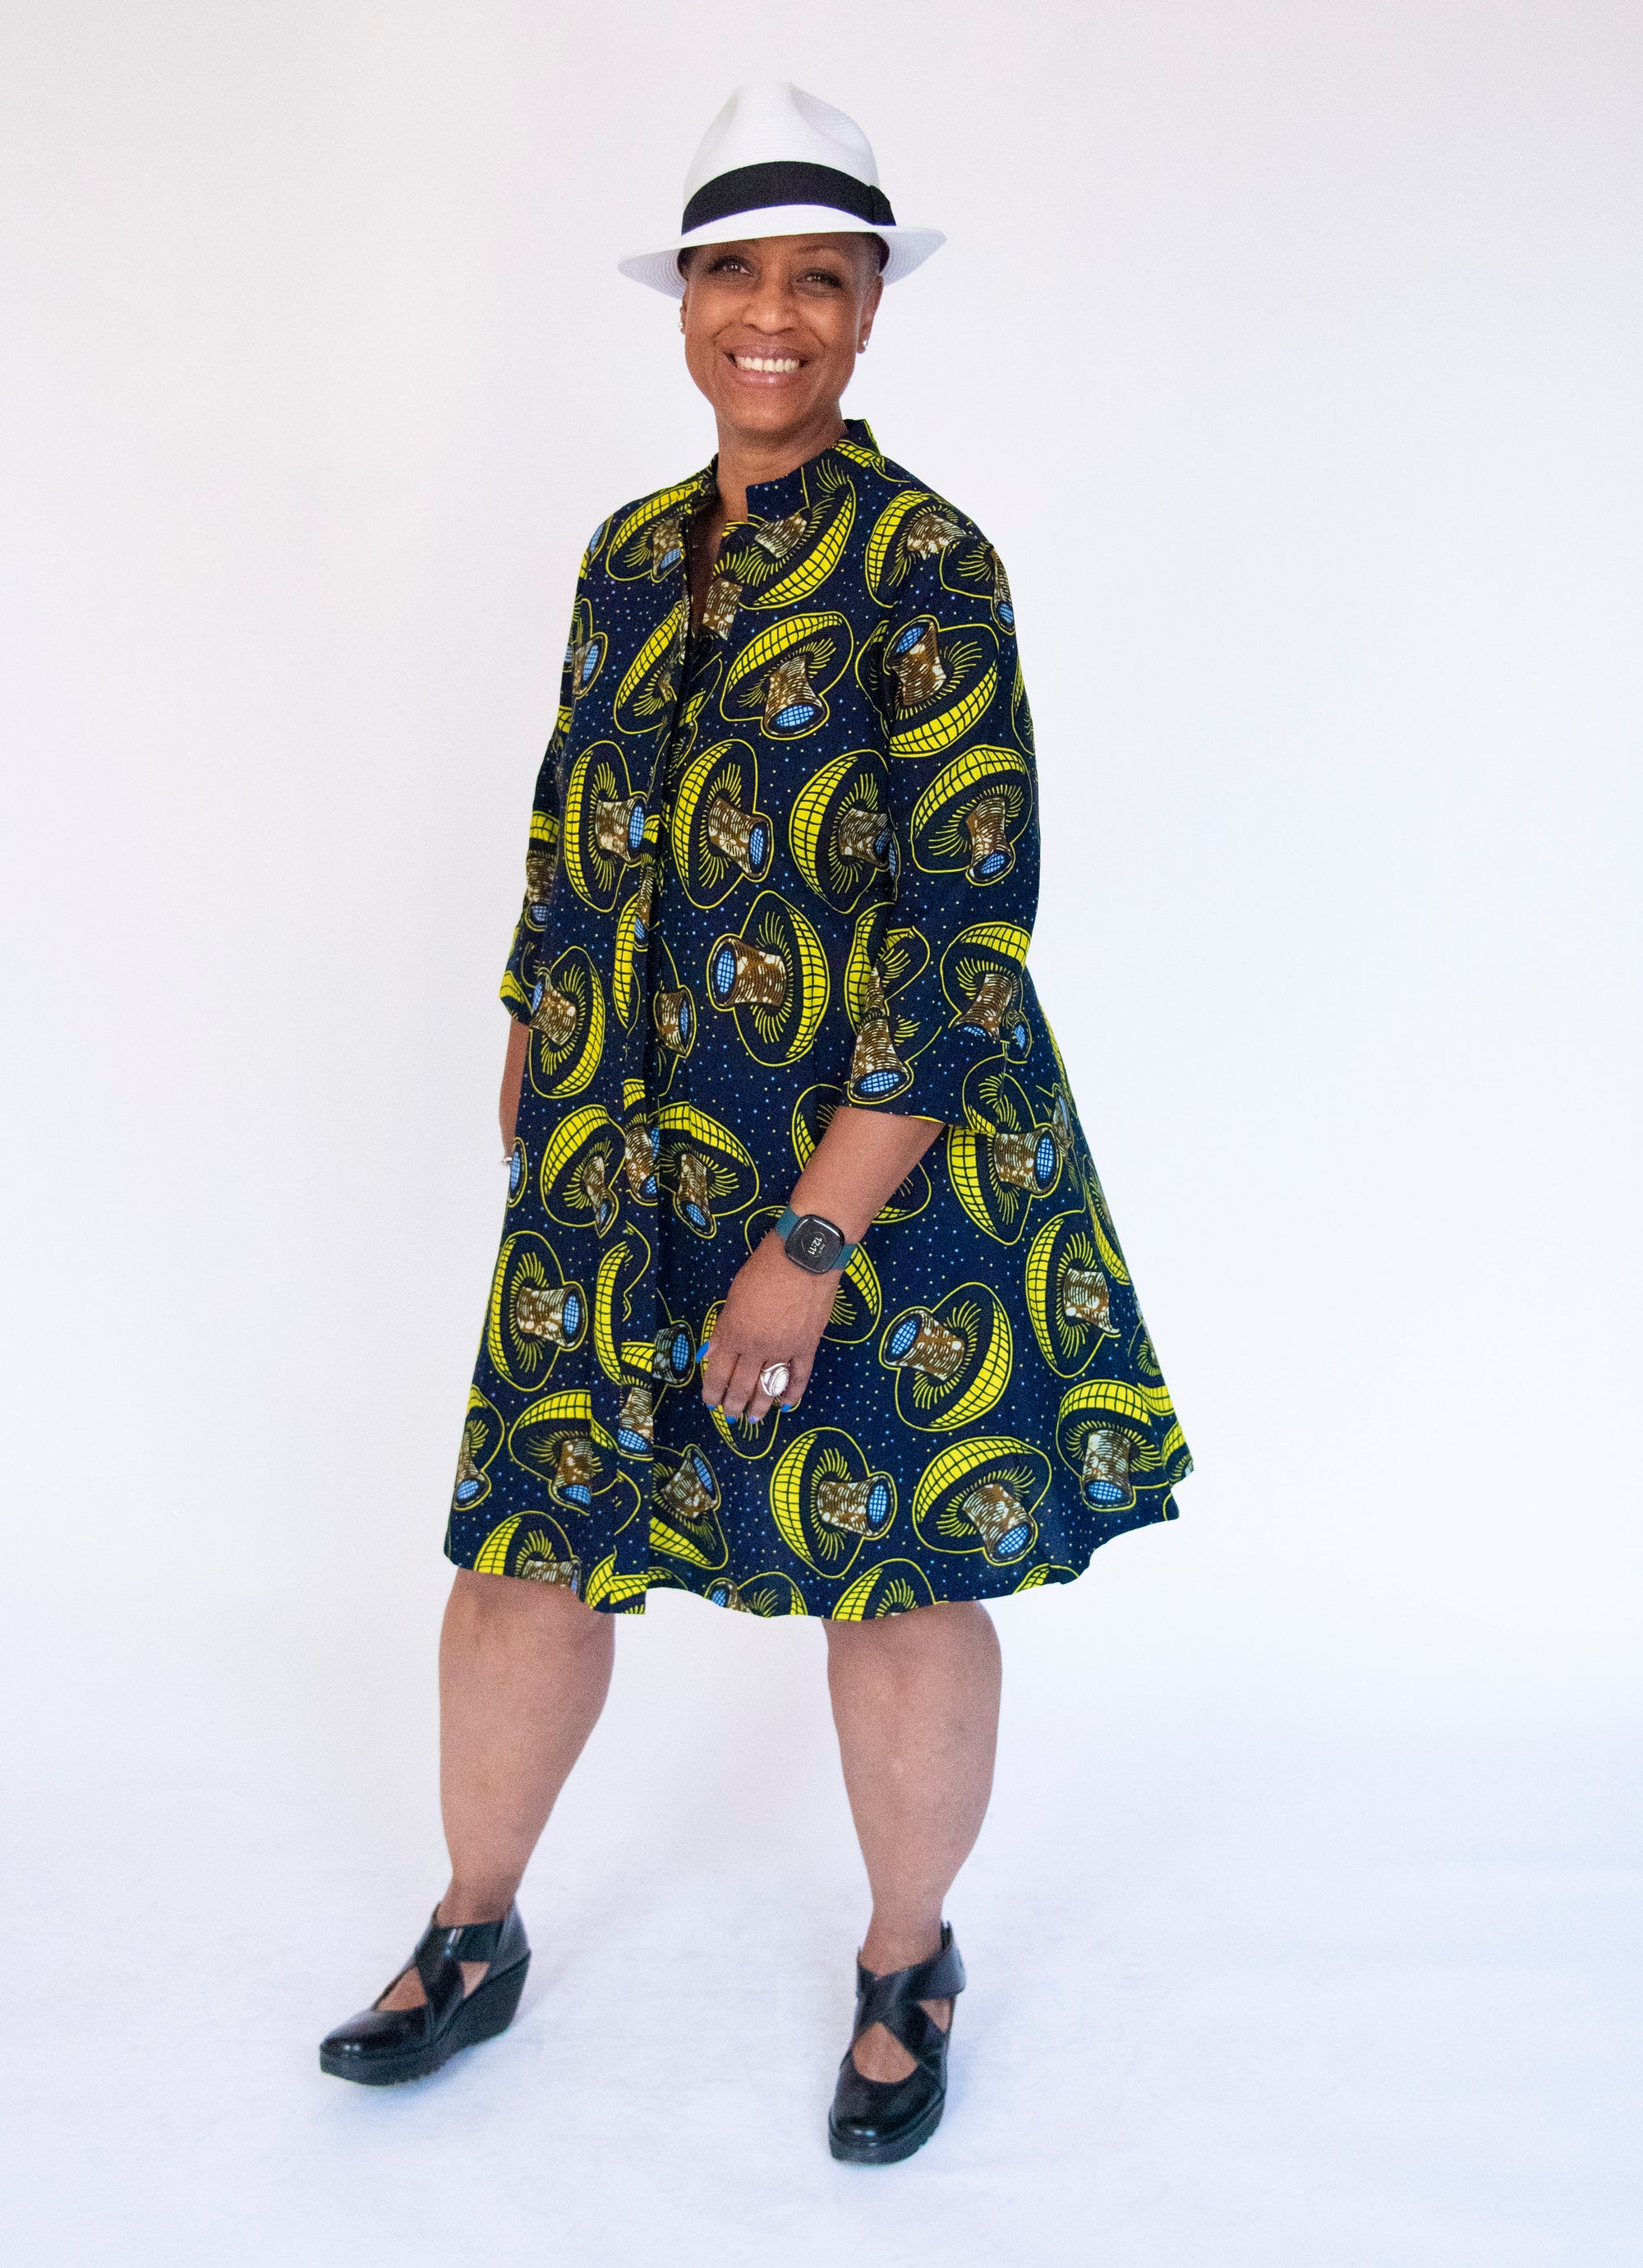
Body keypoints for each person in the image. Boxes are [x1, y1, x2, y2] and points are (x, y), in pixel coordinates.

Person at [320, 80, 1192, 2166]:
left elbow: (969, 927)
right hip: (617, 1153)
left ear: (871, 311)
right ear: (686, 301)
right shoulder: (631, 551)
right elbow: (567, 808)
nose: (773, 315)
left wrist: (809, 1239)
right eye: (736, 273)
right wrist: (534, 1010)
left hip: (872, 1164)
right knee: (529, 1549)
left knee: (888, 1568)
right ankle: (473, 1930)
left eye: (821, 276)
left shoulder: (926, 563)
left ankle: (909, 1964)